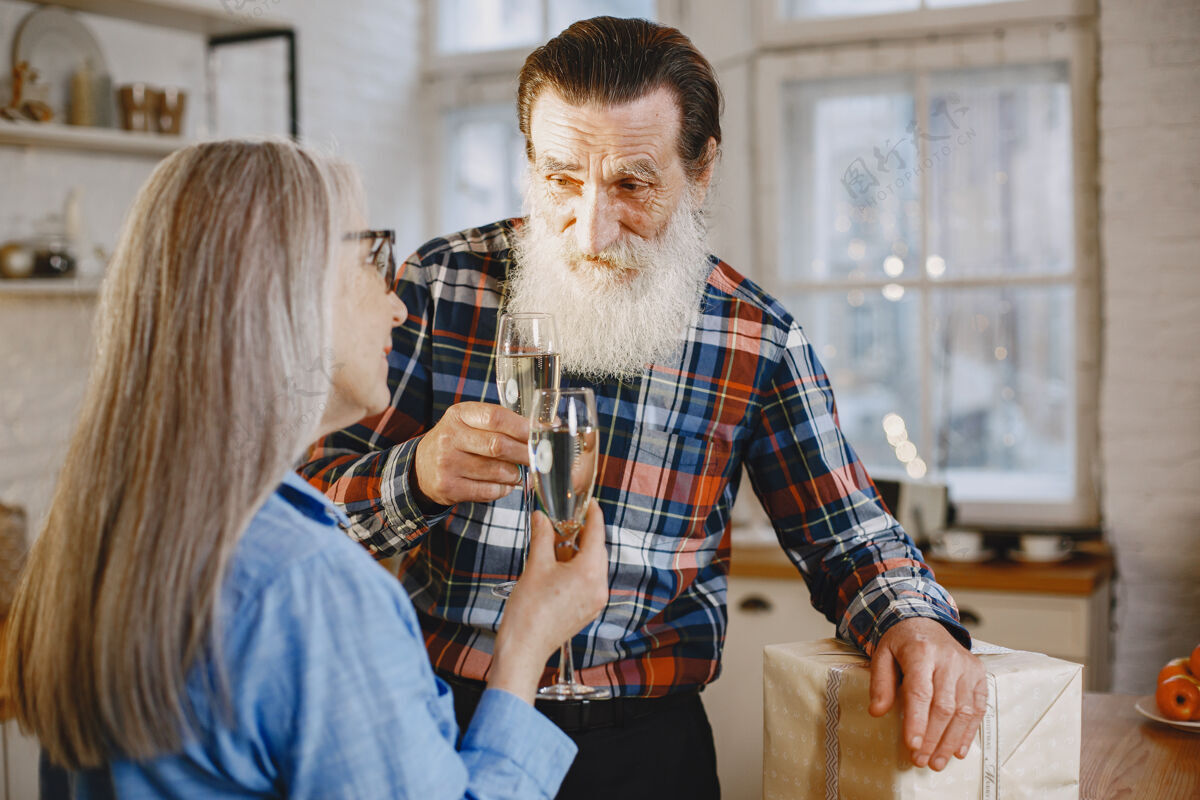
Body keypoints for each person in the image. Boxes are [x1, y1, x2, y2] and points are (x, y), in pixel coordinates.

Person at [300, 16, 987, 799]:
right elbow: (299, 515)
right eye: (562, 178)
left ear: (700, 172)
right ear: (530, 162)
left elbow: (850, 537)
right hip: (444, 724)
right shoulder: (439, 285)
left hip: (647, 752)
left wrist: (915, 621)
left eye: (631, 184)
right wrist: (415, 476)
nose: (592, 228)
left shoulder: (755, 338)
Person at [0, 139, 608, 799]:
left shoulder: (101, 534)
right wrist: (525, 645)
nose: (398, 307)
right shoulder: (312, 588)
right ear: (285, 290)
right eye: (374, 259)